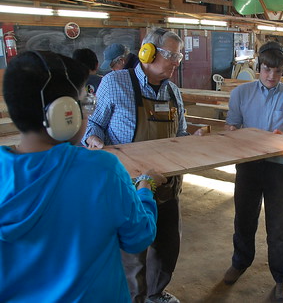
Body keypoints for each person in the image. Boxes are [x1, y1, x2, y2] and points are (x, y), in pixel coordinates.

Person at [0, 50, 165, 302]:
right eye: (83, 103)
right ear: (64, 113)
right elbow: (138, 237)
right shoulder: (101, 169)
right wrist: (145, 187)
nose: (87, 113)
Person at [83, 28, 201, 303]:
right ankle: (133, 298)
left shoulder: (173, 92)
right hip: (128, 188)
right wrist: (99, 147)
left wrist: (192, 142)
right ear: (148, 52)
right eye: (172, 55)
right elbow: (94, 125)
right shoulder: (115, 83)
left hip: (167, 185)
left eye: (179, 56)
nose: (177, 61)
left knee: (168, 248)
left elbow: (180, 134)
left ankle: (155, 294)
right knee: (133, 254)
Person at [223, 41, 283, 301]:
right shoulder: (241, 94)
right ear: (258, 67)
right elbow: (231, 126)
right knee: (244, 218)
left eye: (277, 71)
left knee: (279, 226)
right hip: (247, 165)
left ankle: (281, 277)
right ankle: (240, 261)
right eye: (267, 69)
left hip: (279, 168)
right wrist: (234, 134)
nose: (271, 76)